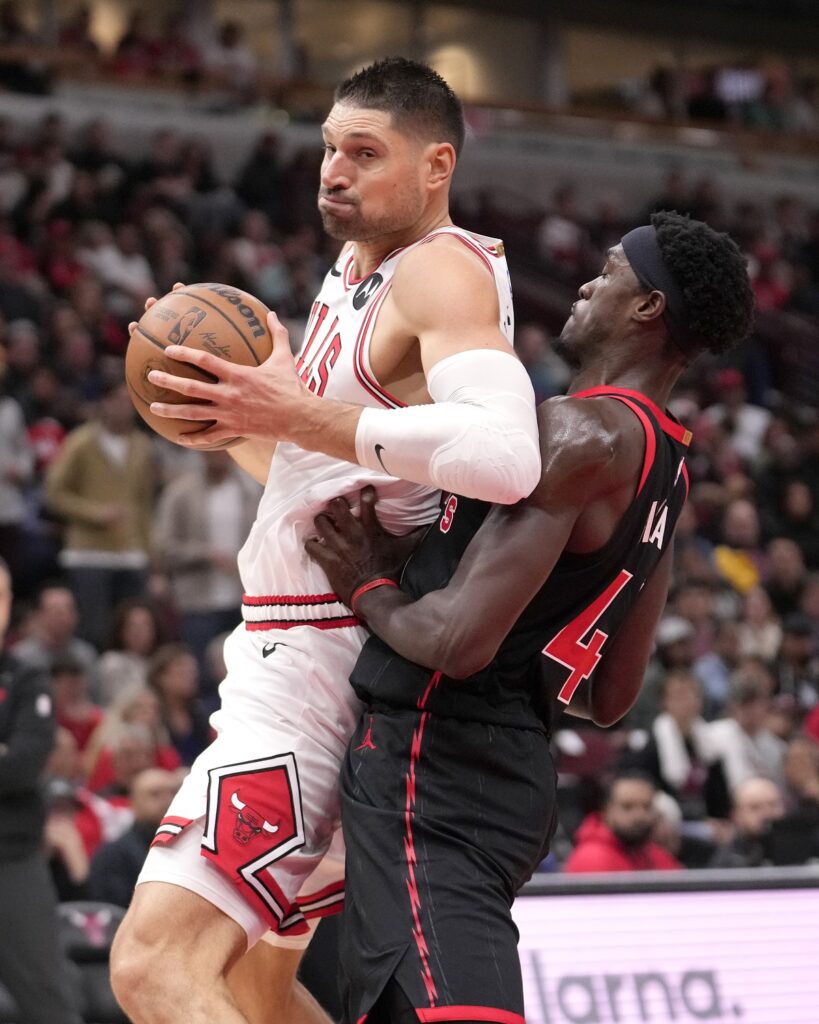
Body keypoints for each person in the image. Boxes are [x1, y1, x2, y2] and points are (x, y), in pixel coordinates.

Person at [111, 58, 539, 1024]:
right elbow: (330, 477)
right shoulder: (357, 268)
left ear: (437, 165)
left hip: (312, 672)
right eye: (326, 150)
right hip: (322, 657)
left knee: (153, 967)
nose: (332, 172)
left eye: (363, 152)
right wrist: (239, 425)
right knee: (255, 989)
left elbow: (508, 455)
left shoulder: (439, 269)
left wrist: (296, 418)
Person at [305, 210, 754, 1023]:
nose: (586, 282)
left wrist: (365, 583)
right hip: (512, 778)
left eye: (611, 269)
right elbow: (610, 693)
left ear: (646, 307)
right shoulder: (669, 466)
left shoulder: (577, 431)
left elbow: (454, 642)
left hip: (431, 764)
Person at [0, 557, 84, 1024]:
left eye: (3, 594)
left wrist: (10, 758)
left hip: (11, 860)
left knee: (49, 1001)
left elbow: (21, 768)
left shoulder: (27, 676)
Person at [89, 767, 180, 907]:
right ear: (133, 803)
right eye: (155, 794)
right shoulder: (113, 855)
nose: (168, 800)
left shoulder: (195, 846)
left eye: (174, 793)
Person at [564, 773, 683, 873]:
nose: (639, 816)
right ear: (606, 810)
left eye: (647, 807)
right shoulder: (591, 858)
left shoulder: (653, 853)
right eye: (627, 807)